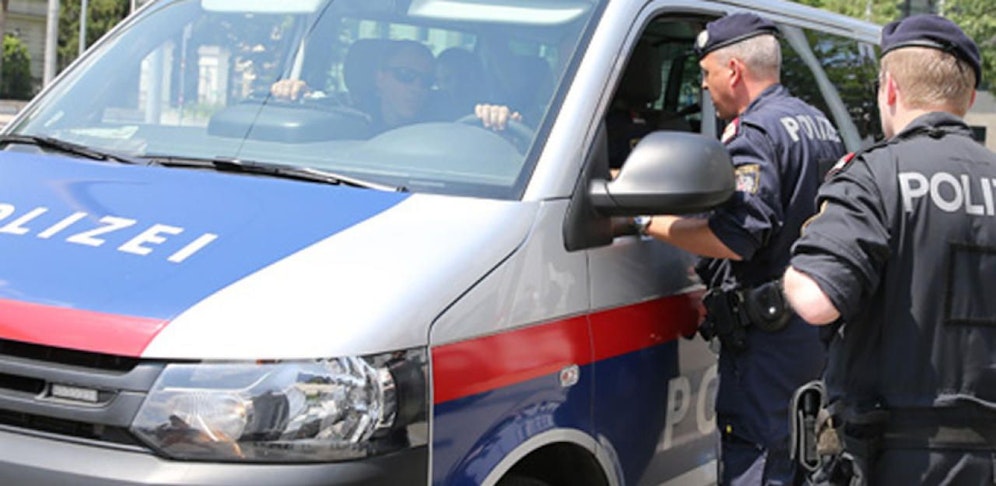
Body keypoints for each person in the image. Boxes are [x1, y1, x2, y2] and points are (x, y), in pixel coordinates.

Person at [782, 14, 995, 485]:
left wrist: (793, 270)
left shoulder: (872, 176)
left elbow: (818, 300)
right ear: (968, 98)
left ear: (890, 89)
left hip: (893, 457)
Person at [633, 13, 845, 485]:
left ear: (733, 70)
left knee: (759, 460)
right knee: (801, 455)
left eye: (707, 75)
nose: (705, 88)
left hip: (767, 341)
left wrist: (650, 222)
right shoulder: (816, 123)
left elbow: (735, 237)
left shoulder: (756, 134)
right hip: (809, 332)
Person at [271, 39, 436, 132]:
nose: (417, 88)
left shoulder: (438, 130)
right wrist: (292, 92)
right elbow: (316, 105)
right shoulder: (345, 116)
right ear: (380, 77)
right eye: (406, 75)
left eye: (427, 81)